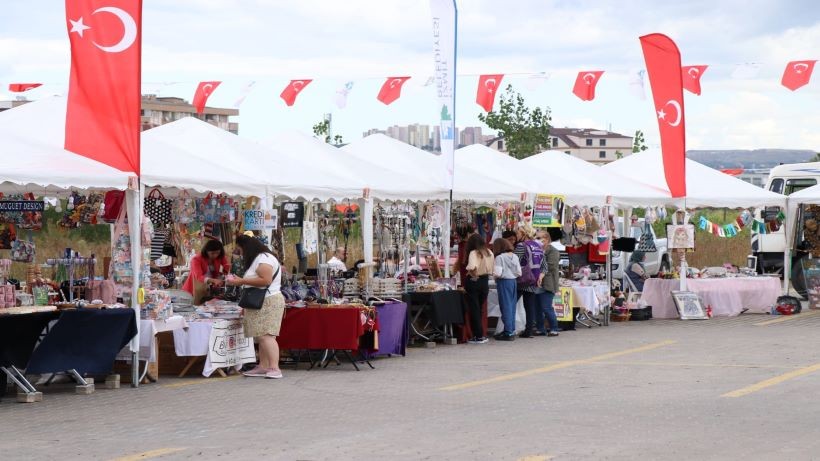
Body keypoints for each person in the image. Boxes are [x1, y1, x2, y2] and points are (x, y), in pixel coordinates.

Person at [226, 235, 286, 379]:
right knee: (261, 335)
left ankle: (274, 368)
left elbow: (265, 280)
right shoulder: (261, 258)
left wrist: (241, 281)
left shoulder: (263, 258)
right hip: (261, 301)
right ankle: (263, 365)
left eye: (240, 249)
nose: (240, 253)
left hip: (268, 301)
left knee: (267, 335)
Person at [514, 225, 546, 338]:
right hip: (533, 280)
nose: (516, 235)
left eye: (518, 233)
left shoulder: (521, 246)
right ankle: (529, 331)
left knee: (511, 304)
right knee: (529, 306)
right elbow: (544, 266)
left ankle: (508, 329)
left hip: (522, 280)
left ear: (524, 234)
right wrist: (540, 277)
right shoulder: (538, 246)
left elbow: (514, 262)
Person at [464, 233, 494, 344]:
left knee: (474, 309)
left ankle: (478, 335)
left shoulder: (473, 253)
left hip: (474, 281)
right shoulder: (489, 252)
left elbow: (472, 267)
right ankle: (480, 334)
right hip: (485, 281)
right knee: (480, 308)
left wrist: (473, 275)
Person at [492, 238, 521, 341]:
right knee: (512, 306)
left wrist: (493, 275)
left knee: (505, 306)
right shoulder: (515, 256)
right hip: (513, 282)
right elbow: (519, 272)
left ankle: (508, 332)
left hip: (504, 282)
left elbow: (498, 273)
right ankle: (511, 330)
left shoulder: (499, 257)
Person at [537, 229, 561, 337]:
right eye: (536, 238)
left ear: (546, 239)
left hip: (548, 283)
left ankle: (554, 328)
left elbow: (551, 266)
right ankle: (540, 328)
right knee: (537, 307)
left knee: (546, 307)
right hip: (536, 283)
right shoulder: (536, 249)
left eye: (539, 238)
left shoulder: (553, 251)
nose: (537, 240)